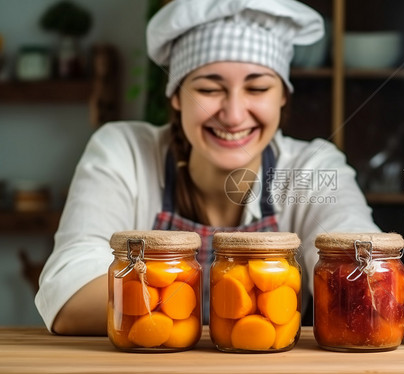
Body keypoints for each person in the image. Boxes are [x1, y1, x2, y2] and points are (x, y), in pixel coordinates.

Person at [35, 0, 379, 335]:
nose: (232, 114)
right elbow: (70, 297)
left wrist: (159, 309)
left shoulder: (314, 167)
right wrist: (249, 312)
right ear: (175, 96)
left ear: (283, 96)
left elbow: (368, 281)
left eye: (257, 87)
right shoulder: (124, 152)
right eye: (208, 89)